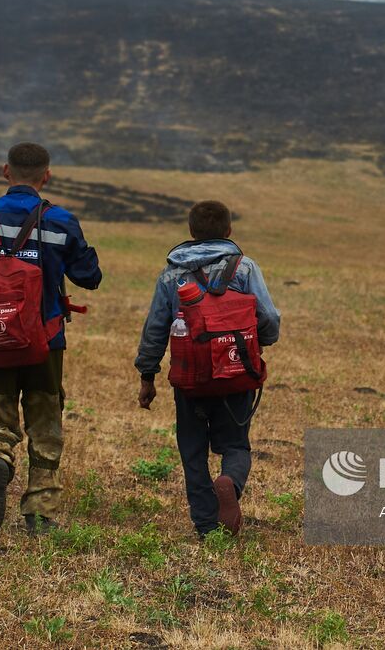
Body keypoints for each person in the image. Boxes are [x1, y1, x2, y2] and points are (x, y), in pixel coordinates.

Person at [0, 142, 102, 535]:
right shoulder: (60, 221)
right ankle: (39, 510)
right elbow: (89, 278)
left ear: (5, 172)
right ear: (46, 176)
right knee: (45, 419)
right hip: (44, 340)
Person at [134, 200, 281, 538]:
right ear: (229, 232)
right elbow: (269, 318)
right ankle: (229, 482)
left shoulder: (172, 274)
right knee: (236, 445)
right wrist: (261, 343)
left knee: (192, 449)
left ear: (191, 232)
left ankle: (204, 524)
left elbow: (156, 329)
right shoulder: (245, 268)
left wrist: (147, 375)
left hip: (191, 378)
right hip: (236, 373)